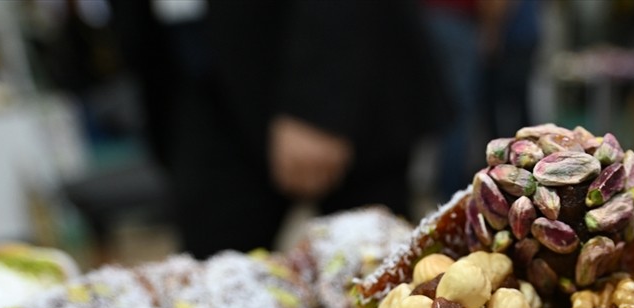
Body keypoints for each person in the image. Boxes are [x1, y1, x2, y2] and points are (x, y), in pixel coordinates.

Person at [109, 0, 450, 258]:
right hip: (193, 79)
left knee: (376, 270)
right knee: (212, 277)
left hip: (329, 73)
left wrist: (318, 102)